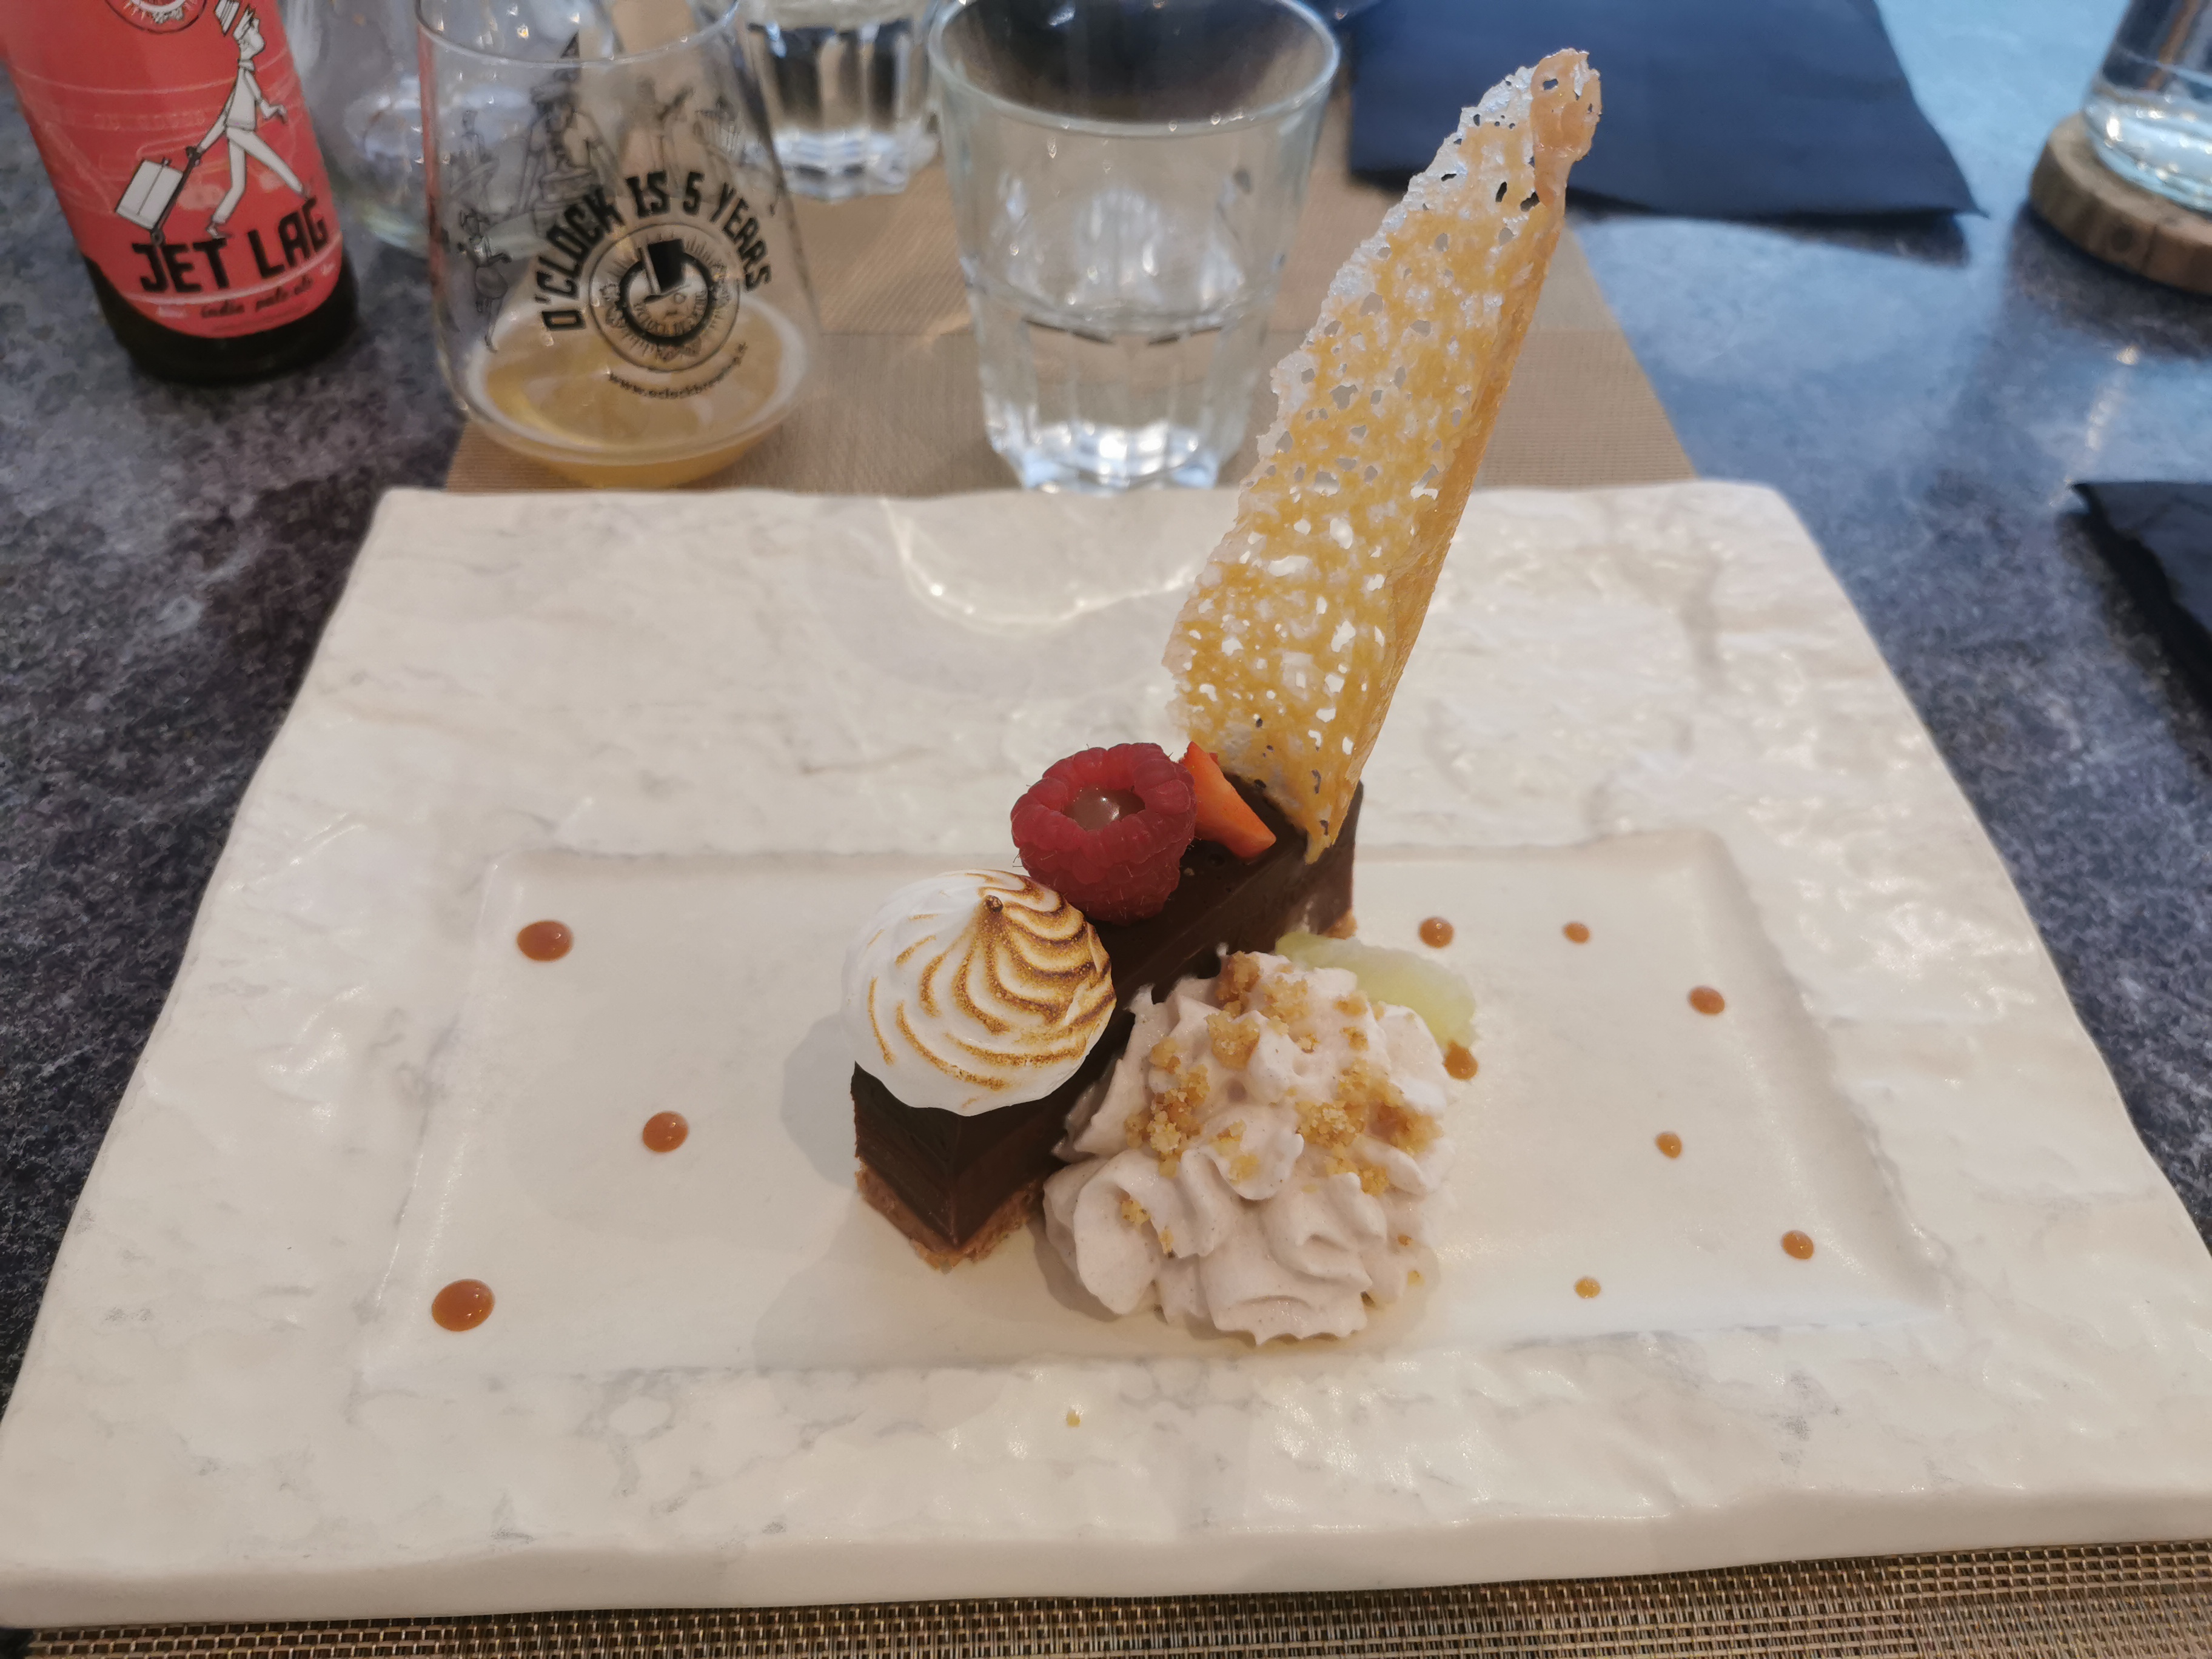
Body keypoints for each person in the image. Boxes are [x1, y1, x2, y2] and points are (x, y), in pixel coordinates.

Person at [191, 0, 303, 233]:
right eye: (253, 27)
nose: (258, 26)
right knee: (275, 161)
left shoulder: (244, 74)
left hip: (236, 131)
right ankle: (303, 191)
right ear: (242, 41)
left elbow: (224, 118)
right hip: (241, 132)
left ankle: (214, 224)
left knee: (238, 186)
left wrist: (201, 149)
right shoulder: (245, 75)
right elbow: (253, 107)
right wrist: (200, 149)